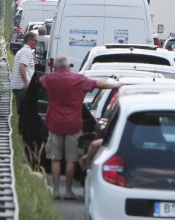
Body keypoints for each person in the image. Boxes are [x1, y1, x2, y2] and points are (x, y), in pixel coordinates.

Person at [41, 55, 119, 199]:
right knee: (71, 159)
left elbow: (41, 81)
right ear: (68, 66)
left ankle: (56, 190)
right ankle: (69, 191)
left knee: (55, 158)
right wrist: (117, 85)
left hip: (55, 122)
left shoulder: (49, 78)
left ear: (55, 67)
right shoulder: (79, 80)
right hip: (73, 123)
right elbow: (99, 84)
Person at [10, 31, 38, 113]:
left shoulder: (21, 50)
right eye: (35, 41)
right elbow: (22, 67)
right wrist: (26, 84)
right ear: (29, 40)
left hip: (18, 85)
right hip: (23, 87)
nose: (37, 43)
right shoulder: (26, 51)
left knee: (21, 111)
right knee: (28, 112)